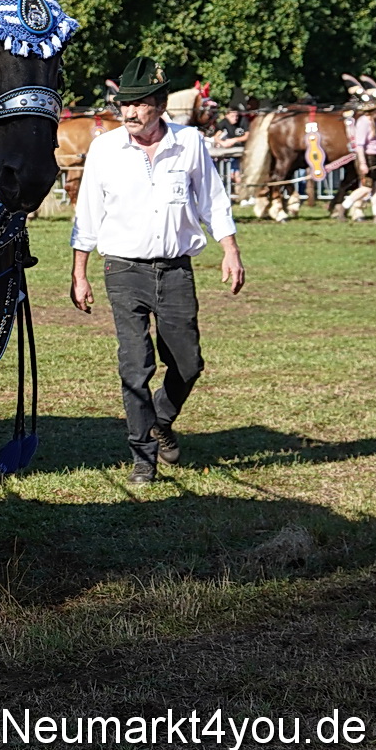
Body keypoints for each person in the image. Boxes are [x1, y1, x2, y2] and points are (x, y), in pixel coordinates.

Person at [71, 57, 246, 484]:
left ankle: (160, 421)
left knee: (187, 364)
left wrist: (230, 250)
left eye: (139, 103)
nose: (129, 112)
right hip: (123, 269)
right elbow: (88, 214)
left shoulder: (190, 143)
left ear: (161, 104)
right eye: (123, 104)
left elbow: (213, 201)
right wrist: (80, 272)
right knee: (135, 365)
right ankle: (143, 459)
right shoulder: (105, 149)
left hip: (176, 271)